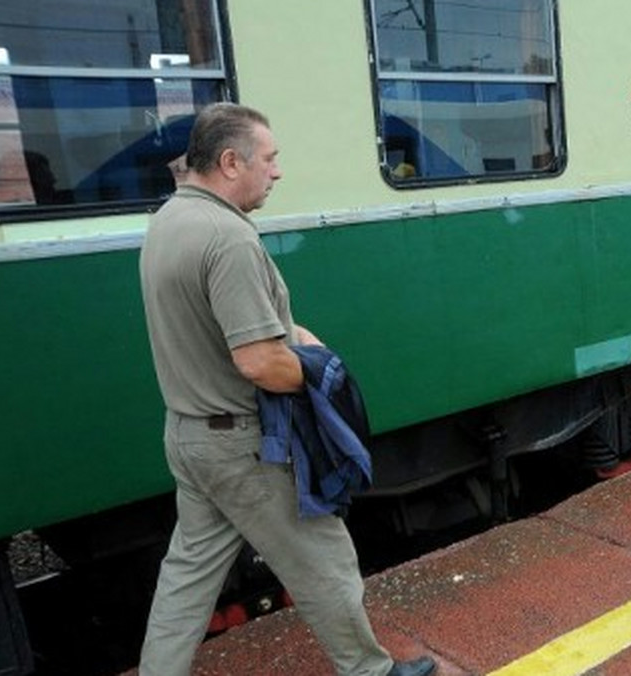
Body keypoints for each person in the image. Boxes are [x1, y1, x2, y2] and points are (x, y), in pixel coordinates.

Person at [138, 102, 436, 676]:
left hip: (190, 437)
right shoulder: (228, 239)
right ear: (230, 161)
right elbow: (258, 361)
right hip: (244, 447)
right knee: (326, 561)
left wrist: (300, 343)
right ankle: (369, 671)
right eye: (269, 159)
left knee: (187, 578)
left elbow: (250, 328)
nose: (276, 172)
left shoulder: (169, 219)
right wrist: (323, 370)